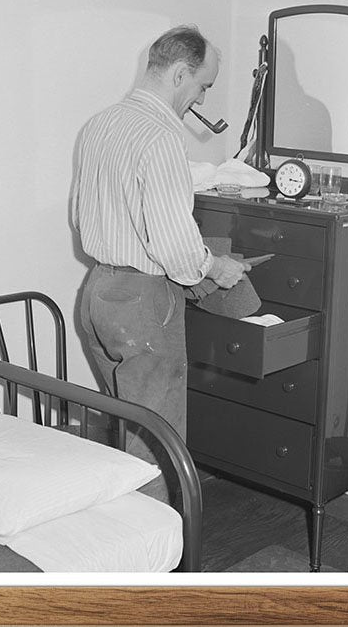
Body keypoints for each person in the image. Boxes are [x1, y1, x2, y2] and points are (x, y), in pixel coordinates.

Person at [71, 26, 248, 501]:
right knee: (156, 442)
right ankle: (156, 563)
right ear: (179, 73)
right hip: (144, 304)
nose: (201, 99)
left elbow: (80, 216)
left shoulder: (100, 124)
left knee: (125, 427)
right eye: (203, 86)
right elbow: (175, 249)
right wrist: (215, 268)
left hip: (97, 293)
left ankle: (117, 545)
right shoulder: (162, 137)